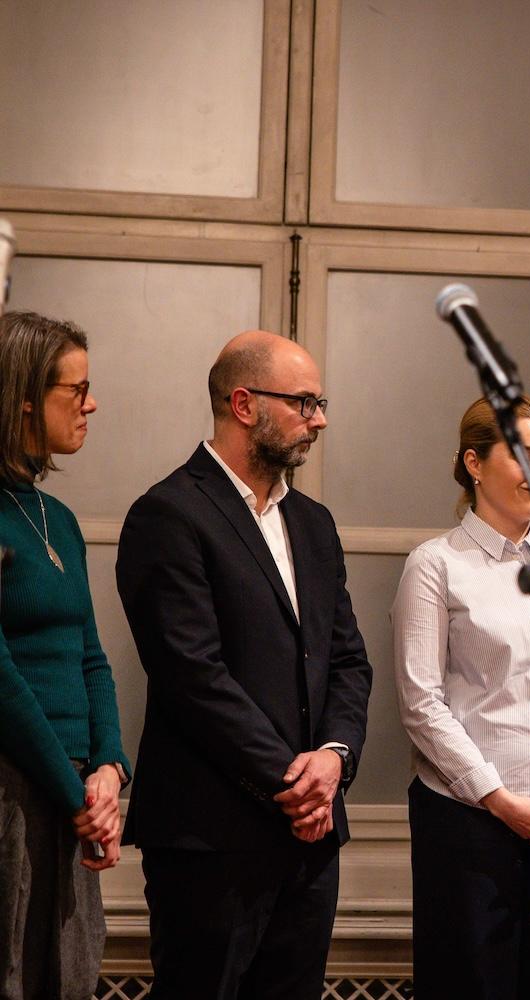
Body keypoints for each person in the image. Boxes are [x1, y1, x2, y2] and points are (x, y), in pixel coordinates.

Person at [115, 330, 373, 1000]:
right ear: (243, 403)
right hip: (212, 836)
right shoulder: (168, 513)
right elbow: (192, 676)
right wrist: (293, 782)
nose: (319, 419)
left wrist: (335, 758)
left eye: (320, 403)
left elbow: (347, 660)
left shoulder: (313, 523)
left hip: (310, 837)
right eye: (304, 402)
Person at [392, 395, 530, 1000]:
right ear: (474, 463)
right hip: (469, 827)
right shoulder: (436, 565)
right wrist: (498, 799)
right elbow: (421, 703)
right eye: (525, 456)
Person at [0, 311, 130, 1000]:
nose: (92, 404)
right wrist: (73, 790)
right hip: (15, 789)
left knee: (69, 978)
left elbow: (91, 656)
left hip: (72, 788)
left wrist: (109, 768)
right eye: (76, 389)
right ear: (24, 397)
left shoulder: (60, 519)